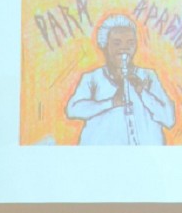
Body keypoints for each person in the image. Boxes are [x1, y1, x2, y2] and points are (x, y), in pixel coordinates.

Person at [65, 14, 176, 145]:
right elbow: (72, 110)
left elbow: (169, 118)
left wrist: (143, 93)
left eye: (130, 43)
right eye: (117, 43)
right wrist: (111, 103)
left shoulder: (147, 76)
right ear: (104, 45)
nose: (124, 48)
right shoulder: (92, 78)